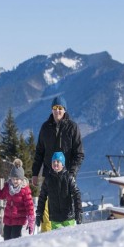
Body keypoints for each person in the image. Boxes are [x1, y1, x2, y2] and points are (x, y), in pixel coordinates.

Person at [32, 96, 84, 232]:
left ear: (64, 110)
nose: (57, 111)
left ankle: (68, 234)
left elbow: (79, 154)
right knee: (48, 211)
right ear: (52, 110)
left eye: (60, 108)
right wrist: (35, 173)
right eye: (55, 108)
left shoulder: (72, 127)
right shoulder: (45, 128)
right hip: (49, 176)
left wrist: (72, 173)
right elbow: (39, 152)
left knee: (66, 210)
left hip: (67, 177)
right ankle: (47, 237)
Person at [36, 152, 83, 230]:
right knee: (58, 240)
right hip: (55, 218)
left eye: (58, 161)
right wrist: (39, 213)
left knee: (69, 239)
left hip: (68, 217)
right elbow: (42, 197)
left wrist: (78, 211)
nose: (55, 163)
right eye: (53, 161)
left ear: (63, 164)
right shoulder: (48, 180)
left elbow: (76, 194)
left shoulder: (69, 178)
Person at [0, 159, 35, 240]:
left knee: (15, 237)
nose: (15, 181)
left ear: (21, 179)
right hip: (8, 218)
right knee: (6, 237)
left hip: (19, 219)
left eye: (17, 179)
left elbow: (29, 205)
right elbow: (2, 195)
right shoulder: (8, 186)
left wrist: (31, 219)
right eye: (13, 178)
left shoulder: (24, 189)